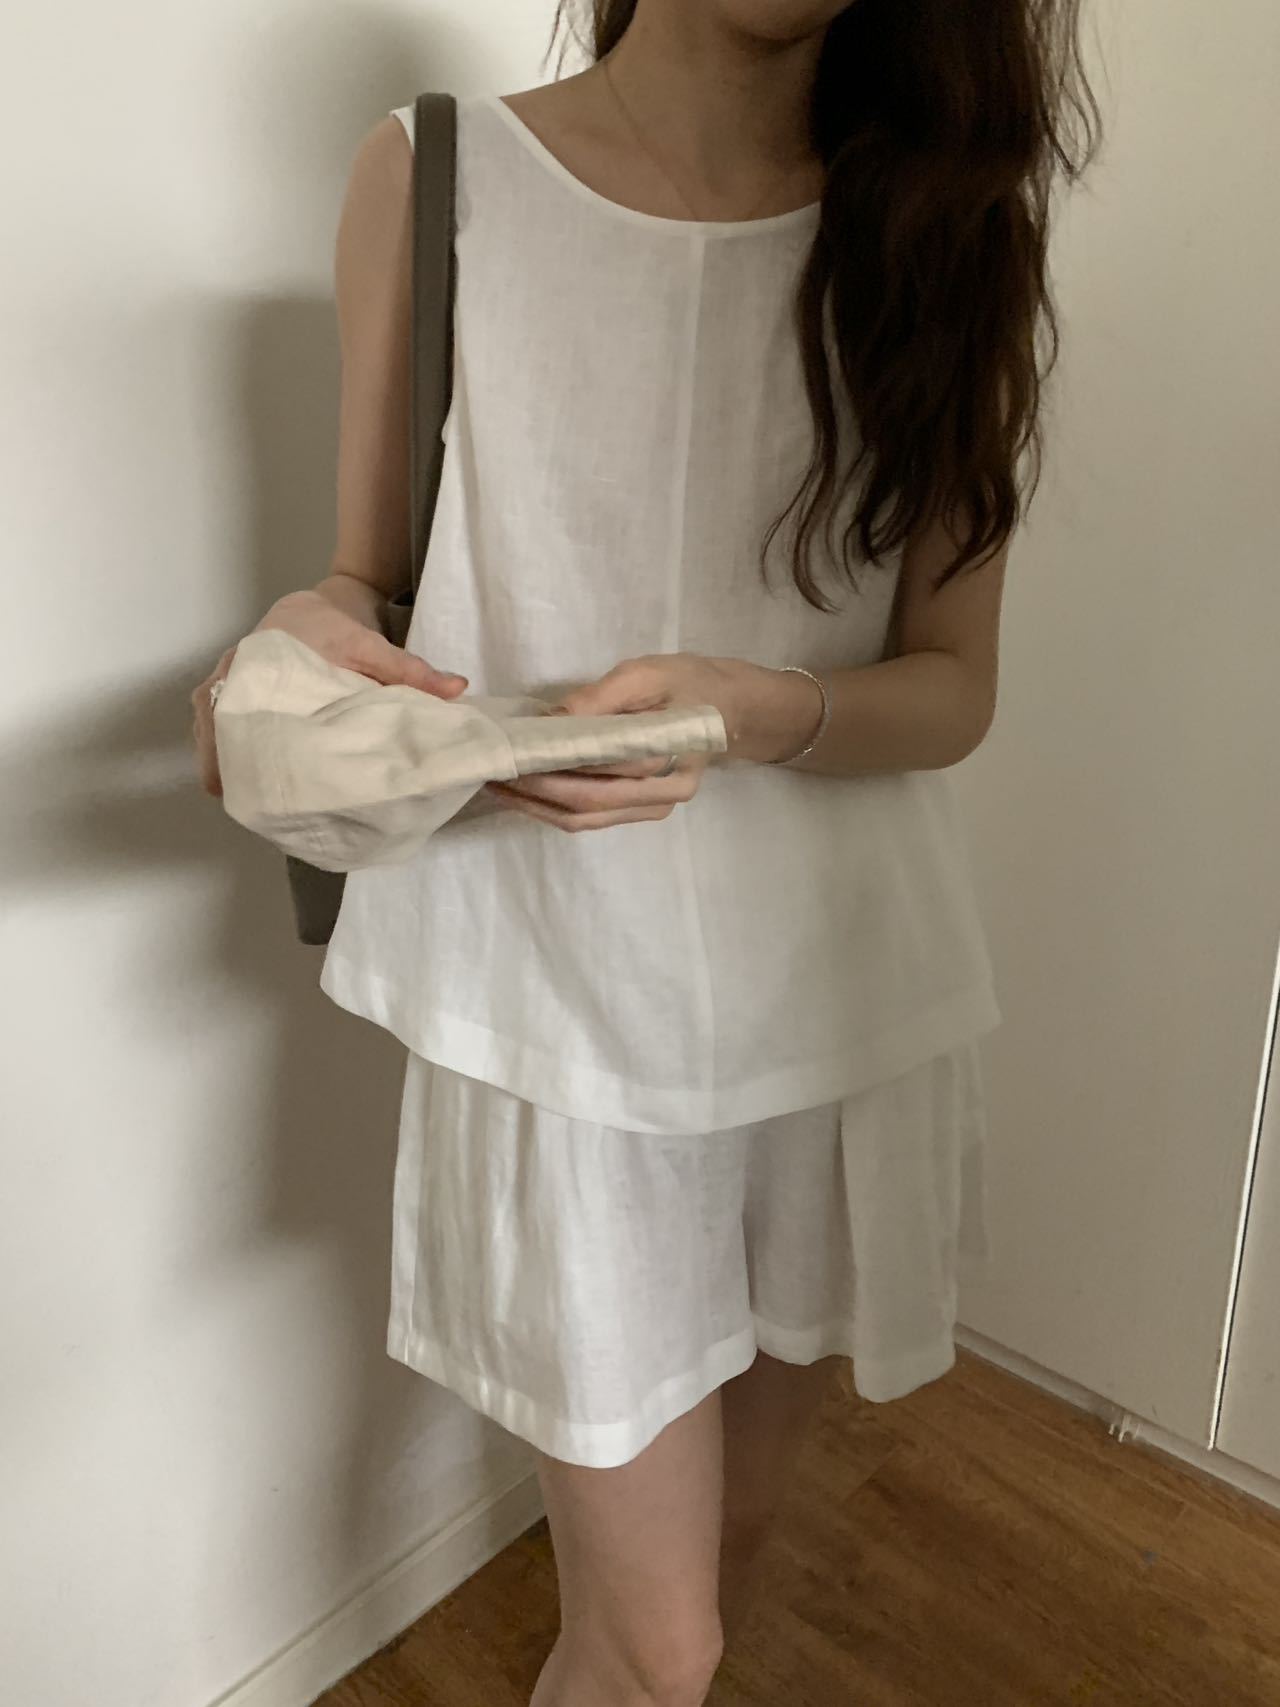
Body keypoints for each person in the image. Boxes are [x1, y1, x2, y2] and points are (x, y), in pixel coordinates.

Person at [193, 3, 1098, 1702]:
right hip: (563, 1011)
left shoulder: (949, 224)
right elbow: (363, 576)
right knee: (659, 1645)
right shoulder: (436, 177)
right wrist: (299, 657)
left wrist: (753, 712)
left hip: (832, 999)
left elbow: (952, 687)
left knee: (723, 1567)